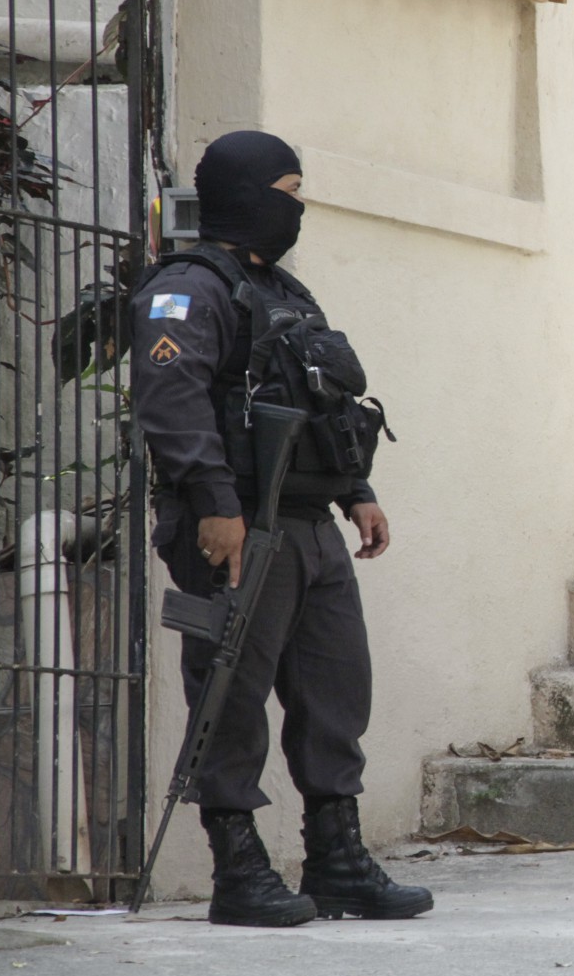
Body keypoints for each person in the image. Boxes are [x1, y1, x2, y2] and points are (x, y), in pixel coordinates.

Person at [132, 131, 431, 927]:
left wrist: (357, 491)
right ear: (249, 193)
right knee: (230, 692)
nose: (296, 207)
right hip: (233, 529)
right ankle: (239, 869)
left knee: (337, 689)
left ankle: (337, 862)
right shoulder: (189, 290)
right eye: (289, 189)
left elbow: (322, 404)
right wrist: (215, 507)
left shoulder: (288, 293)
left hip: (307, 525)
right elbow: (172, 402)